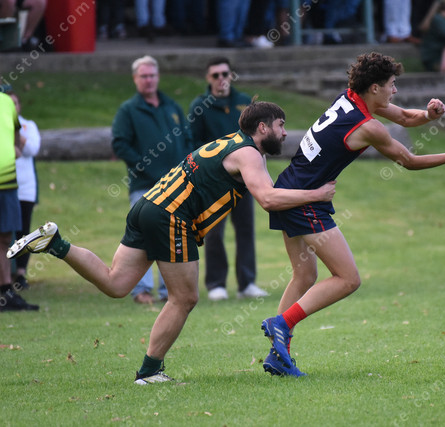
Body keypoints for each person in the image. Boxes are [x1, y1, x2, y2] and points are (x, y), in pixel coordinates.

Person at [7, 102, 337, 384]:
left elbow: (270, 192)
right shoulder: (249, 154)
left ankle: (56, 243)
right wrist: (317, 194)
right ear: (263, 127)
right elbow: (267, 198)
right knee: (185, 297)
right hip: (170, 216)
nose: (285, 133)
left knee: (116, 283)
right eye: (281, 125)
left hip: (148, 206)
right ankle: (149, 372)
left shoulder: (234, 144)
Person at [260, 52, 445, 377]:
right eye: (392, 84)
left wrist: (429, 114)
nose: (395, 90)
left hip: (290, 188)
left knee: (304, 277)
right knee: (348, 279)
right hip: (306, 201)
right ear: (375, 88)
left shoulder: (350, 99)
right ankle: (282, 324)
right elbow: (409, 161)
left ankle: (279, 355)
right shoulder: (368, 127)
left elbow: (406, 118)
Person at [111, 55, 193, 304]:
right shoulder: (128, 110)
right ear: (135, 79)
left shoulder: (172, 106)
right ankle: (141, 290)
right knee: (143, 236)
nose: (148, 80)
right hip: (145, 186)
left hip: (177, 186)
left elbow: (187, 138)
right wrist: (144, 166)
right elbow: (120, 144)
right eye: (143, 76)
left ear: (158, 77)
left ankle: (171, 291)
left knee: (174, 236)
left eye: (152, 75)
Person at [188, 57, 268, 301]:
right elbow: (193, 143)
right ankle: (216, 284)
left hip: (243, 179)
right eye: (215, 75)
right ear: (208, 78)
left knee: (246, 229)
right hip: (214, 181)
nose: (221, 79)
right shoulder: (199, 106)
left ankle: (247, 283)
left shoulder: (244, 102)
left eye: (225, 74)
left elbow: (255, 137)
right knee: (213, 232)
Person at [0, 86, 37, 311]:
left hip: (7, 181)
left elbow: (17, 141)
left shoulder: (6, 103)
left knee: (5, 237)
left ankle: (5, 292)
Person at [8, 90, 41, 292]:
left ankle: (20, 272)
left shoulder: (29, 126)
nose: (12, 107)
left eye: (15, 103)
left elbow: (32, 149)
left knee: (23, 230)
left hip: (25, 188)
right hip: (6, 184)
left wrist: (15, 131)